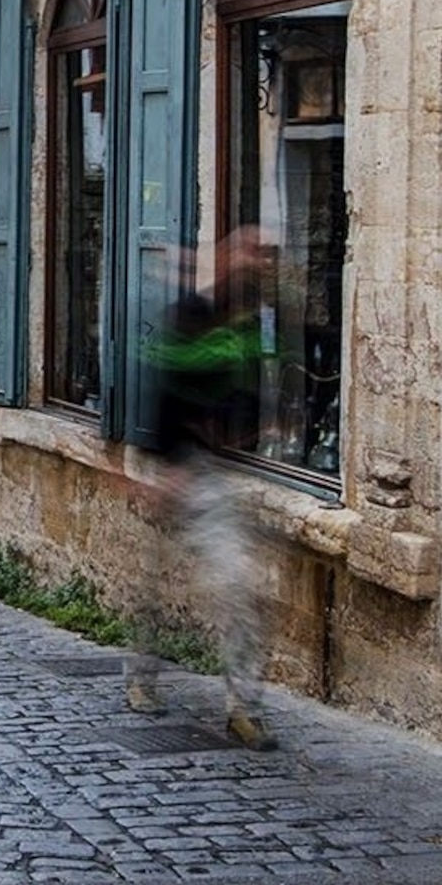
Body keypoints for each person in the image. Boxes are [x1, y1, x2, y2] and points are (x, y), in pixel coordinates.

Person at [129, 232, 280, 748]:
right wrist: (165, 468)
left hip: (234, 470)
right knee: (158, 581)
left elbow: (259, 389)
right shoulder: (188, 315)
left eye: (265, 254)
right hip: (188, 467)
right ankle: (141, 674)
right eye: (249, 250)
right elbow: (161, 391)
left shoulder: (258, 318)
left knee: (238, 585)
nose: (260, 260)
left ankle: (243, 707)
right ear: (223, 257)